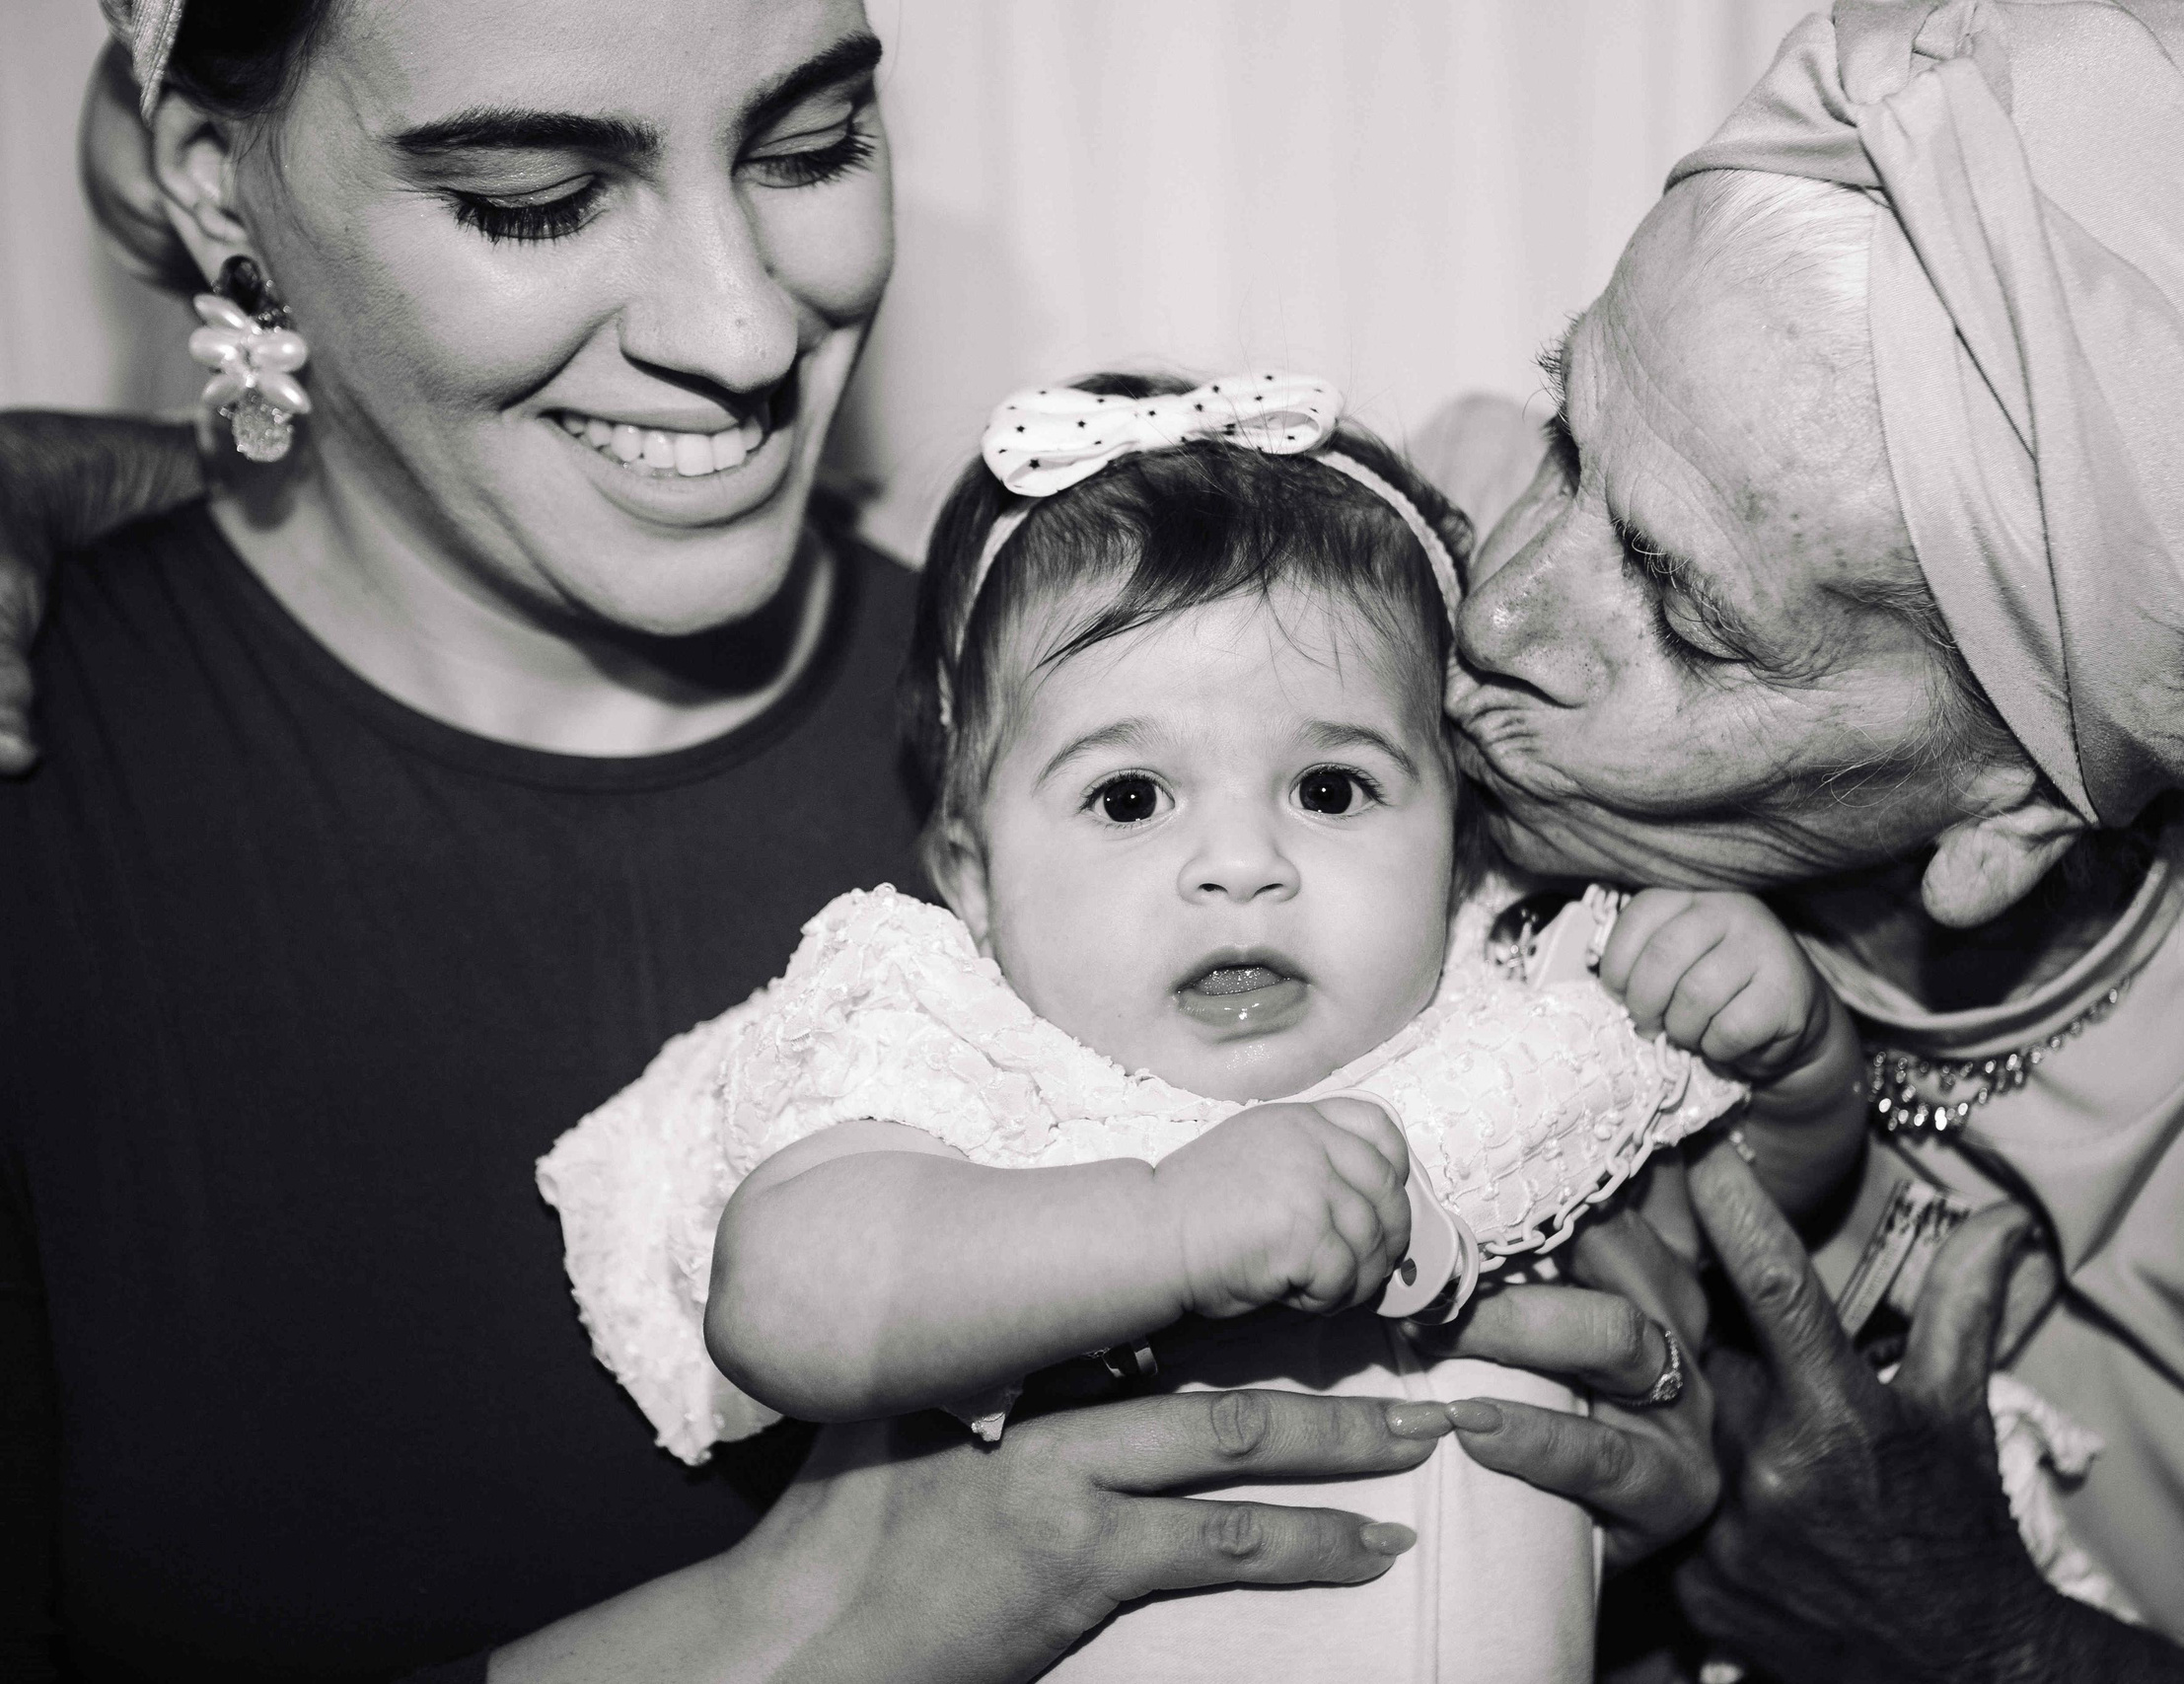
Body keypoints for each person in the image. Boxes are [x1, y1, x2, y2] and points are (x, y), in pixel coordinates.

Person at [0, 4, 1727, 1679]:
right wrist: (794, 1633)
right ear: (216, 183)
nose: (744, 329)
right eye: (535, 199)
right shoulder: (57, 799)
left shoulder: (1113, 692)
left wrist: (1628, 1537)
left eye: (813, 145)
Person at [1437, 0, 2184, 1679]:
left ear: (2014, 810)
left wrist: (1992, 1649)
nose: (1493, 609)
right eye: (1568, 430)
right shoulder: (1371, 598)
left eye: (1681, 612)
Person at [533, 369, 1866, 1681]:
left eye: (1331, 789)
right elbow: (788, 1296)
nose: (1240, 864)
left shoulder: (1512, 1002)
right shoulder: (976, 1054)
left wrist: (1794, 1064)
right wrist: (1167, 1227)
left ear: (1460, 845)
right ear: (974, 879)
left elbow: (1732, 1223)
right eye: (1129, 799)